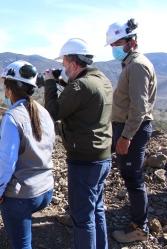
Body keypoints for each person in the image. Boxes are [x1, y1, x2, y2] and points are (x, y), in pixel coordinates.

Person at [43, 38, 113, 249]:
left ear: (73, 64)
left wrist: (49, 82)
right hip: (102, 157)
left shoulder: (81, 86)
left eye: (64, 66)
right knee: (96, 210)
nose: (63, 70)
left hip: (84, 160)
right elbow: (80, 98)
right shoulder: (101, 79)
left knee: (82, 218)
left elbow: (53, 111)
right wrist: (62, 82)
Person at [0, 60, 55, 249]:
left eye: (5, 85)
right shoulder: (43, 112)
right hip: (46, 190)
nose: (4, 90)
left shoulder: (12, 117)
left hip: (22, 196)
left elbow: (7, 160)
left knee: (22, 245)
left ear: (10, 89)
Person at [105, 18, 157, 243]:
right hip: (125, 127)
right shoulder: (130, 63)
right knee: (127, 174)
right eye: (112, 44)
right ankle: (137, 223)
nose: (114, 48)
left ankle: (139, 228)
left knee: (133, 178)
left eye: (118, 43)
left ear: (131, 42)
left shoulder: (137, 65)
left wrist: (126, 136)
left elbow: (139, 106)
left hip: (132, 130)